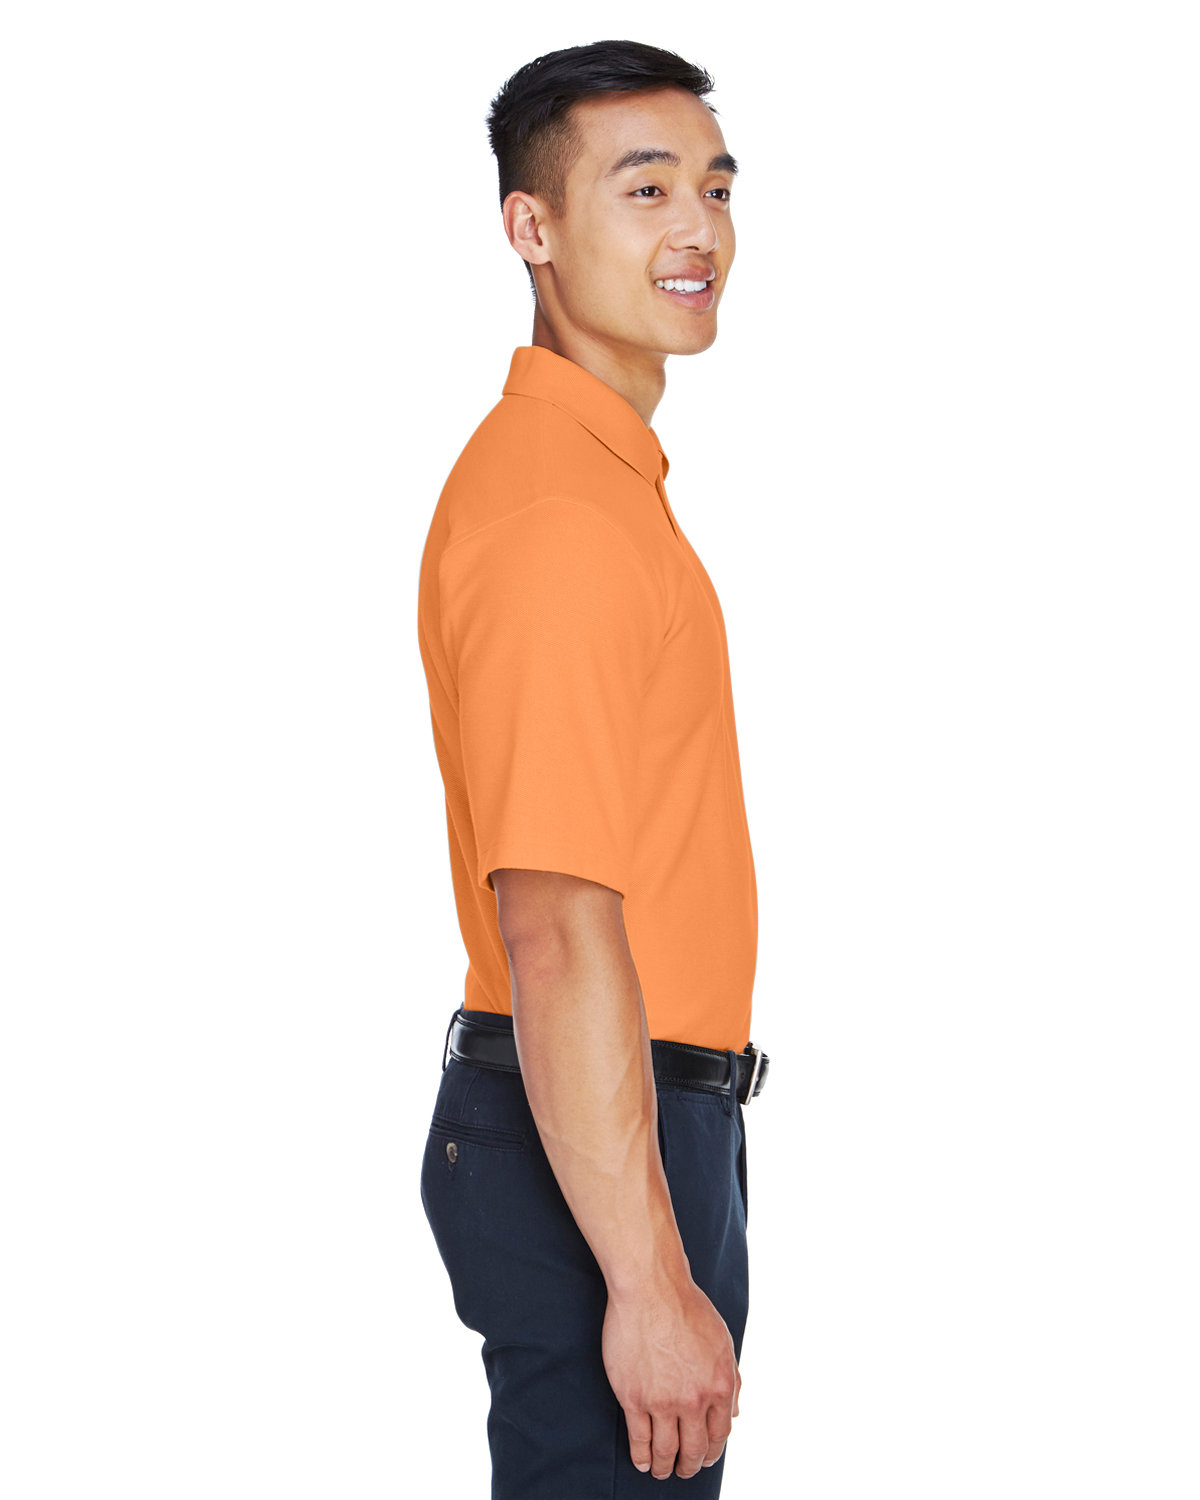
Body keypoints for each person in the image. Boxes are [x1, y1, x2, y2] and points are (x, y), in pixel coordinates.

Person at [415, 39, 769, 1497]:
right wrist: (647, 1278)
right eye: (645, 188)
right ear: (534, 227)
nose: (697, 230)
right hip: (601, 1135)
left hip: (621, 1117)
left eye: (716, 188)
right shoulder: (560, 514)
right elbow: (555, 920)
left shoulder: (602, 488)